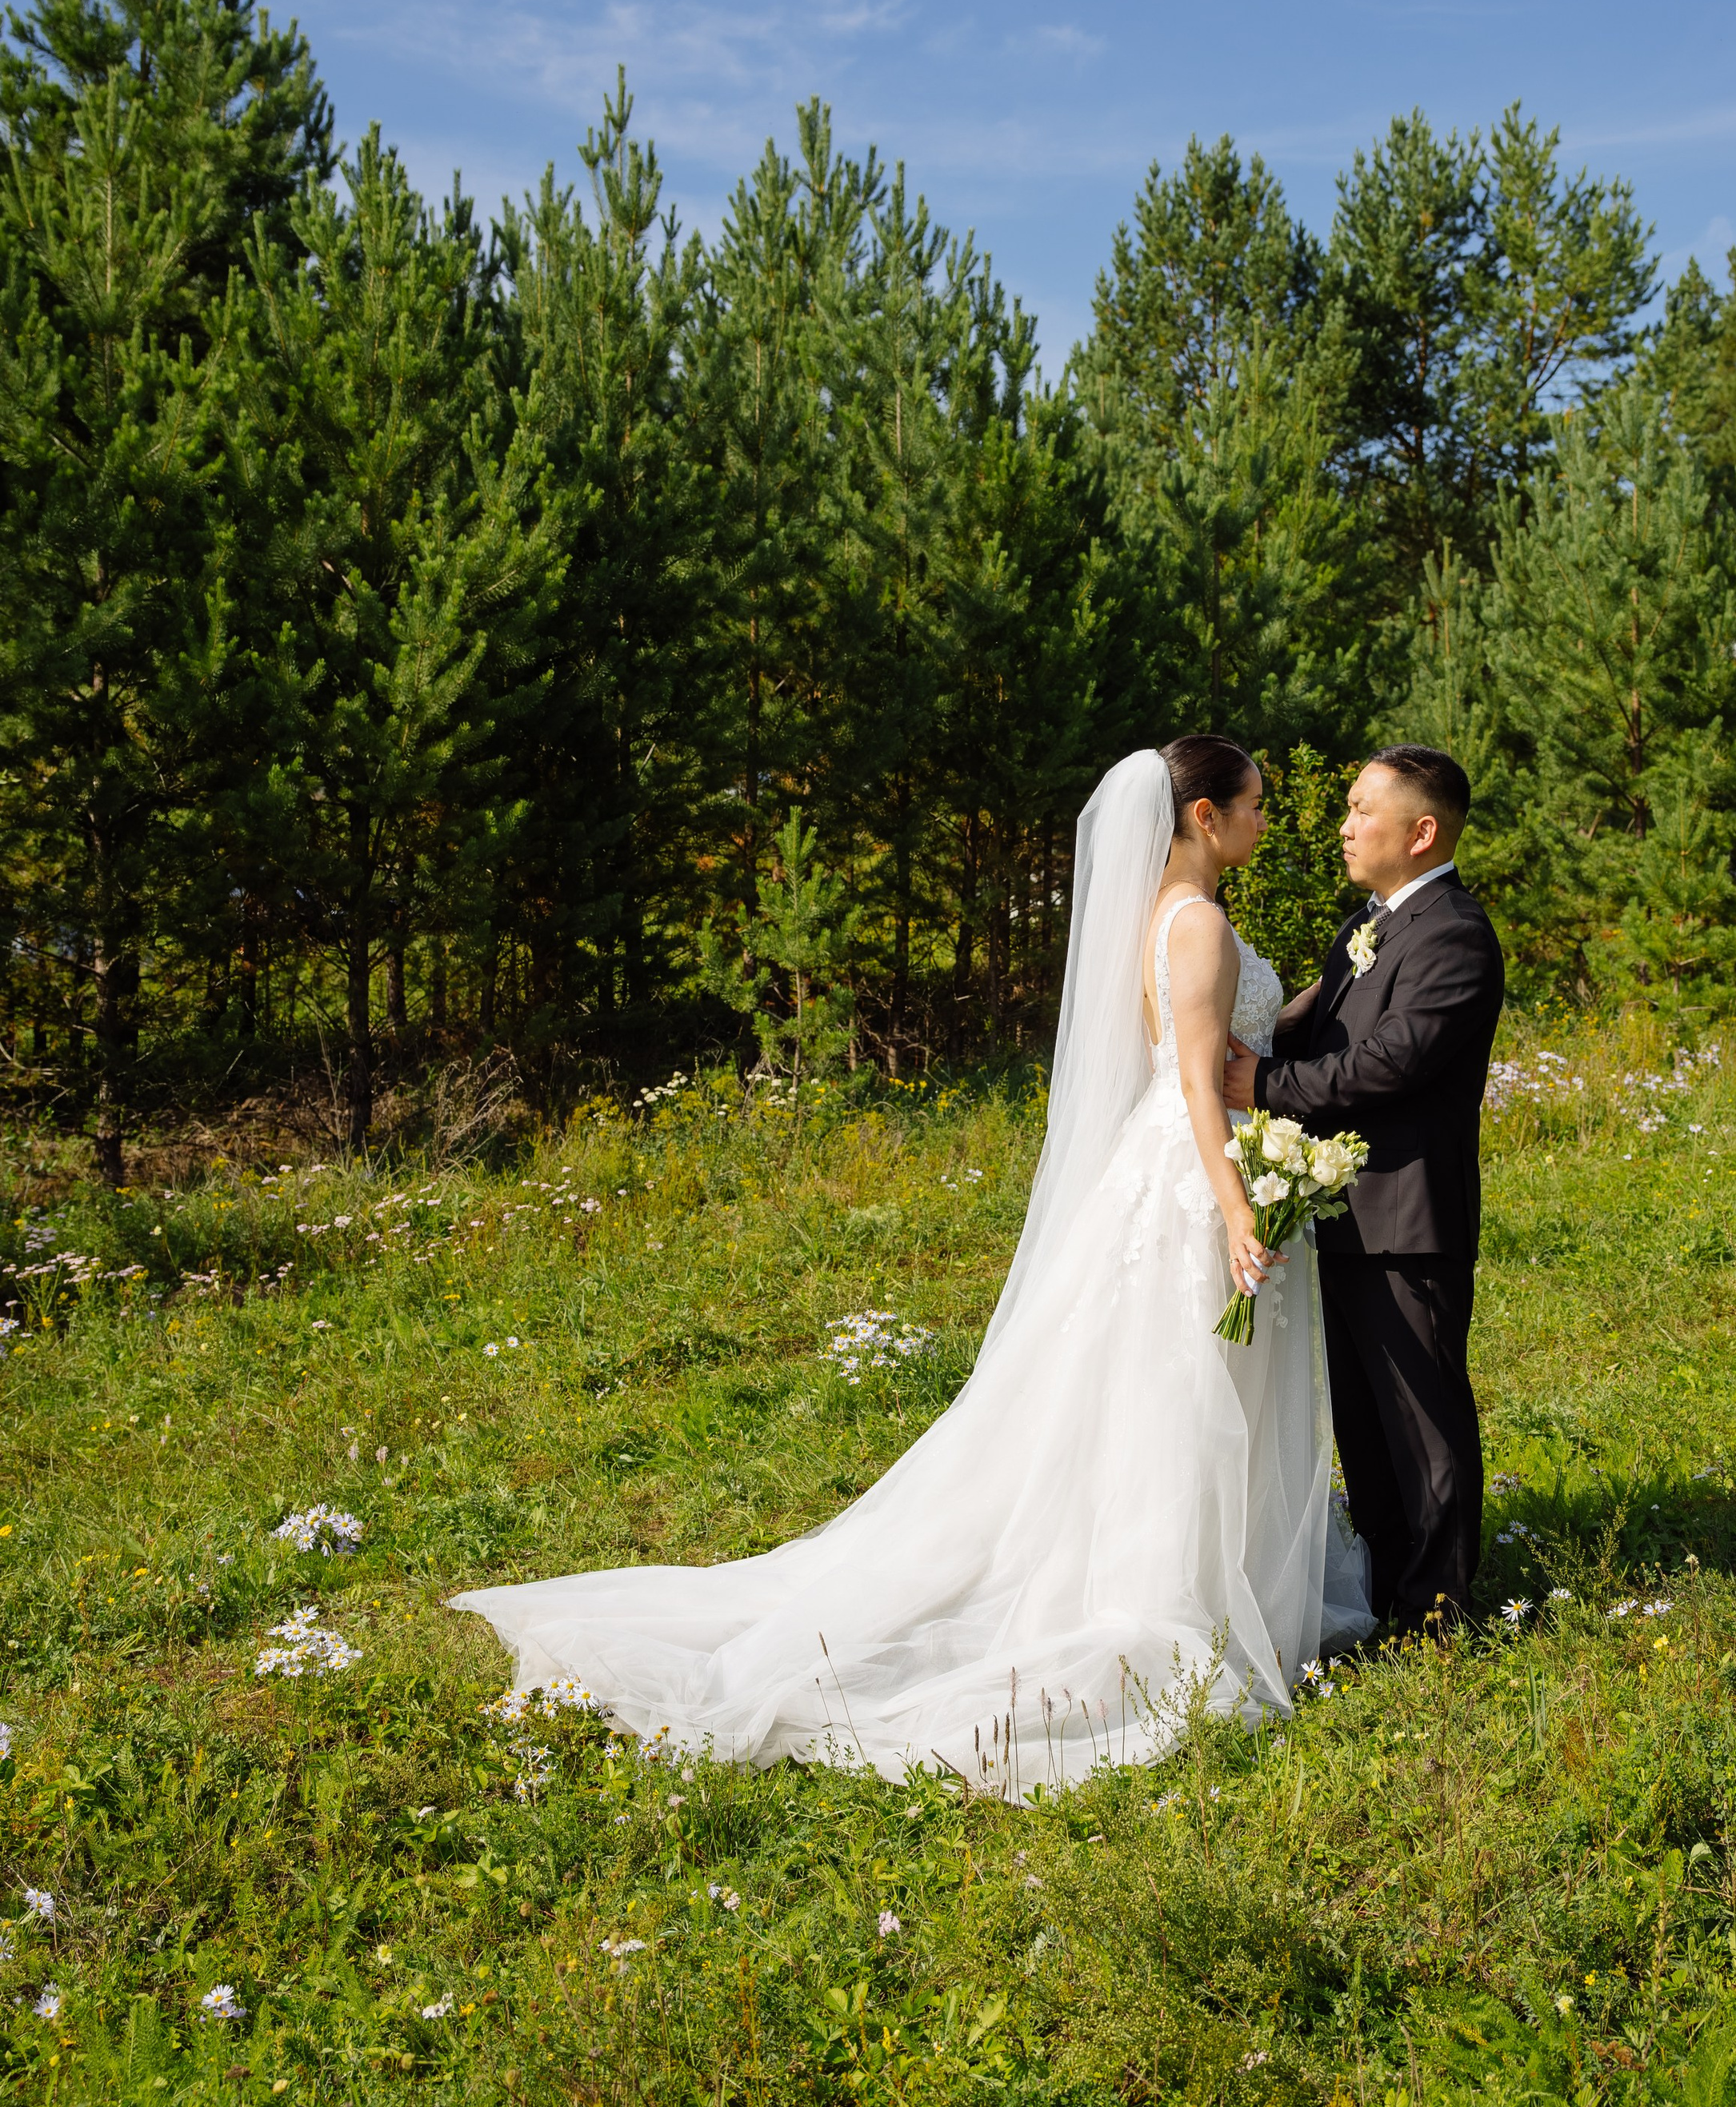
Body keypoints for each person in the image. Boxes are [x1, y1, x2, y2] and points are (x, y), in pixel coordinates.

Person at [453, 741, 1366, 1793]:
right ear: (1205, 816)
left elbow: (1216, 1048)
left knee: (1152, 1384)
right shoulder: (1197, 921)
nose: (1266, 821)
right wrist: (1237, 1202)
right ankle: (1173, 1588)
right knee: (1181, 1386)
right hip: (1195, 1169)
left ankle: (1184, 1563)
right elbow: (1201, 1083)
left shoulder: (1157, 914)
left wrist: (1325, 997)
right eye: (1256, 805)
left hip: (1160, 1165)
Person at [1225, 746, 1503, 1637]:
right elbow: (1319, 1032)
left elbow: (1390, 1063)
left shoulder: (1454, 933)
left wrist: (1263, 1086)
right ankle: (1389, 1592)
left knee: (1422, 1423)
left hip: (1408, 1218)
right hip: (1345, 1210)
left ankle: (1438, 1615)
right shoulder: (1368, 923)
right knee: (1365, 1424)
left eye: (1361, 811)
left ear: (1420, 834)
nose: (1343, 827)